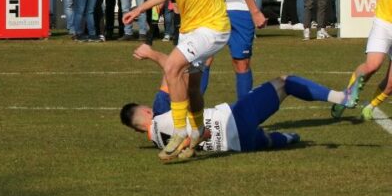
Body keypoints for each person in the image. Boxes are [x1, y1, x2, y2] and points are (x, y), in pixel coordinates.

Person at [123, 0, 265, 162]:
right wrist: (139, 8)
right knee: (192, 87)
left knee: (173, 67)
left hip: (213, 27)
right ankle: (198, 131)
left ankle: (180, 131)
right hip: (190, 30)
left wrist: (254, 11)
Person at [121, 43, 348, 155]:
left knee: (265, 140)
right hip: (234, 119)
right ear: (146, 112)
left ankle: (289, 137)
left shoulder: (160, 142)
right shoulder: (161, 110)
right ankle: (338, 97)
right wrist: (151, 54)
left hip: (239, 145)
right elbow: (171, 70)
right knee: (285, 83)